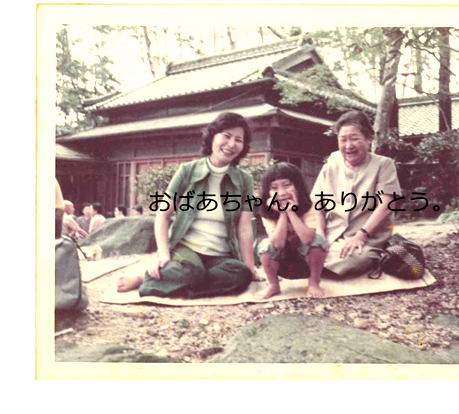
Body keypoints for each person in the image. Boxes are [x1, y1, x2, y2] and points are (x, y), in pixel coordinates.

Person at [117, 112, 260, 298]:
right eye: (226, 136)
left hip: (221, 256)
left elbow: (245, 227)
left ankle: (169, 282)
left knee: (240, 274)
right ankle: (146, 278)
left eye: (238, 140)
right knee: (191, 271)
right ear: (212, 136)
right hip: (186, 251)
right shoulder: (187, 171)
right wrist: (163, 254)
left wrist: (250, 268)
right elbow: (162, 215)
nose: (231, 144)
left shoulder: (244, 180)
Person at [311, 110, 402, 277]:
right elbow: (317, 205)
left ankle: (315, 268)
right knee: (303, 246)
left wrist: (361, 236)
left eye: (354, 138)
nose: (348, 145)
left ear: (368, 139)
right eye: (343, 139)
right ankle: (315, 265)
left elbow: (386, 206)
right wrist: (320, 234)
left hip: (367, 238)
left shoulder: (384, 165)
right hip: (332, 235)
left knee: (356, 257)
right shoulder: (330, 166)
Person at [255, 163, 327, 299]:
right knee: (265, 245)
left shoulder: (310, 205)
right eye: (274, 188)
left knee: (319, 240)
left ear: (298, 185)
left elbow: (308, 239)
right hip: (282, 263)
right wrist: (283, 213)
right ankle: (273, 285)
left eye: (287, 185)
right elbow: (278, 243)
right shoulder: (267, 211)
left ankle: (314, 283)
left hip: (305, 262)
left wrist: (291, 212)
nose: (282, 192)